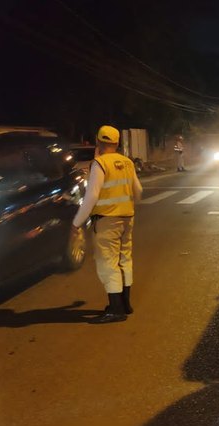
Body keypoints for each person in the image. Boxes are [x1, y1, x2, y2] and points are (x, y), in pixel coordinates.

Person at [72, 125, 143, 324]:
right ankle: (125, 304)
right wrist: (127, 206)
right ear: (117, 142)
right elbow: (138, 190)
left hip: (107, 220)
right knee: (125, 259)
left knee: (108, 263)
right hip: (127, 217)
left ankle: (116, 310)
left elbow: (91, 196)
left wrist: (76, 223)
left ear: (98, 142)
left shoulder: (100, 164)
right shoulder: (128, 162)